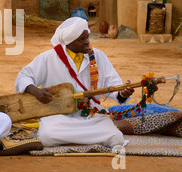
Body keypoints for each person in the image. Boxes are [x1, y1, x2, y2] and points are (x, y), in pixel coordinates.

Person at [15, 17, 134, 148]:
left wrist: (122, 93)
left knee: (116, 138)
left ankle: (74, 138)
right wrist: (36, 91)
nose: (87, 42)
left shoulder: (98, 56)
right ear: (68, 42)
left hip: (91, 114)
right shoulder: (49, 58)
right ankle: (90, 138)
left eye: (87, 37)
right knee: (47, 135)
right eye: (81, 40)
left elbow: (113, 83)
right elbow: (23, 76)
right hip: (58, 116)